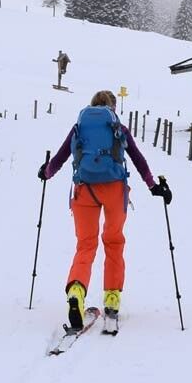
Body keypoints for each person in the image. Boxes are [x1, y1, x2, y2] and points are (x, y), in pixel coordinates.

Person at [38, 90, 172, 332]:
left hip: (84, 190)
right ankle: (111, 298)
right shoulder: (117, 127)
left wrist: (46, 172)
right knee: (113, 242)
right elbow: (138, 158)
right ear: (113, 108)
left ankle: (76, 292)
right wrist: (153, 186)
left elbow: (60, 158)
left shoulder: (80, 127)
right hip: (114, 190)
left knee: (85, 245)